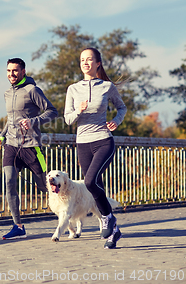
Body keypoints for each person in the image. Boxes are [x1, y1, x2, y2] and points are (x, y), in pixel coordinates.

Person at [64, 47, 127, 249]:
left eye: (89, 59)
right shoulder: (73, 89)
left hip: (103, 140)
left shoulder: (107, 87)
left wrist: (116, 121)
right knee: (93, 185)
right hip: (83, 142)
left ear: (97, 63)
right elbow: (67, 120)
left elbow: (122, 107)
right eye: (82, 59)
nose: (85, 62)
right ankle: (113, 232)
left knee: (90, 181)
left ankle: (108, 218)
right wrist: (78, 111)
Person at [0, 58, 58, 239]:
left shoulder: (33, 90)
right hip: (11, 146)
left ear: (23, 71)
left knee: (46, 186)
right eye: (8, 71)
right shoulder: (7, 93)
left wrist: (33, 121)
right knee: (9, 182)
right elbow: (10, 120)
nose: (11, 74)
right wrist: (1, 137)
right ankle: (18, 226)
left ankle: (69, 213)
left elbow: (52, 111)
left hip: (31, 146)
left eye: (15, 70)